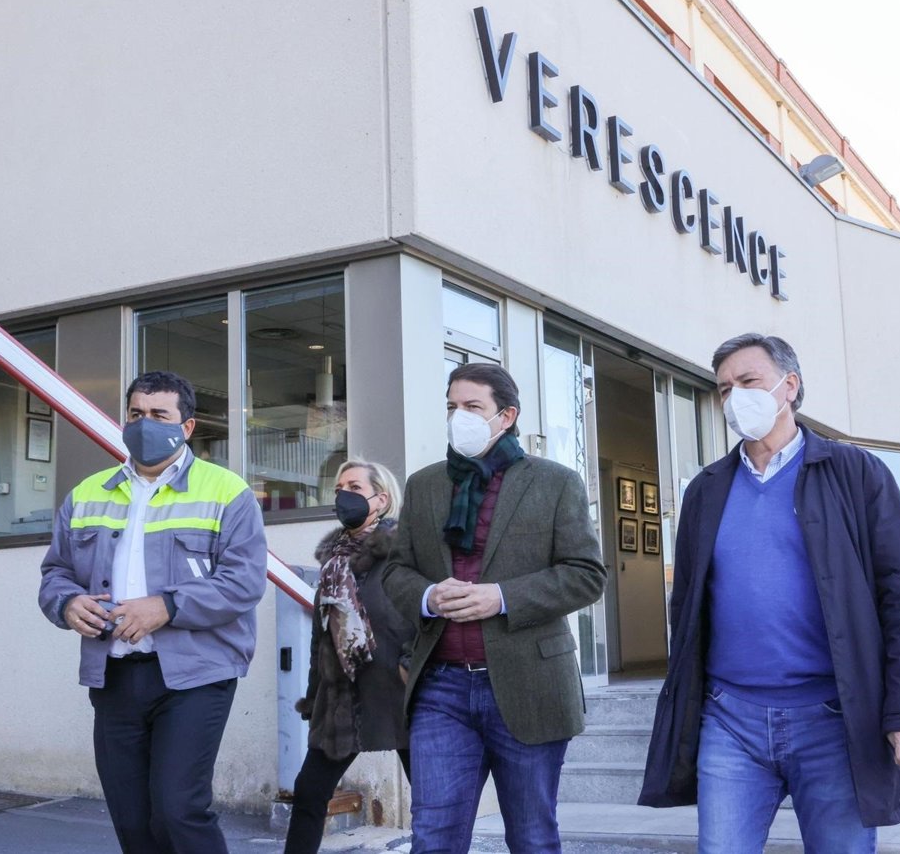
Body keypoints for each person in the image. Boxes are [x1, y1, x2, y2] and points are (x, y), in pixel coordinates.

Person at [639, 333, 900, 853]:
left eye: (748, 381)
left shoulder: (855, 473)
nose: (735, 397)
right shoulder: (707, 489)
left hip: (833, 721)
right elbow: (687, 604)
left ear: (789, 385)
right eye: (724, 389)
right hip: (729, 720)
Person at [381, 363, 608, 853]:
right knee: (433, 838)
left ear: (506, 416)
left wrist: (500, 597)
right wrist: (428, 596)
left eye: (471, 406)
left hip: (529, 684)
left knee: (531, 837)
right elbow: (396, 571)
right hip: (441, 687)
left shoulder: (555, 482)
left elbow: (587, 575)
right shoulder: (424, 484)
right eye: (451, 407)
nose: (457, 417)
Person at [38, 371, 267, 854]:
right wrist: (67, 602)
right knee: (132, 818)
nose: (145, 424)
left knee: (178, 808)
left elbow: (244, 582)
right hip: (114, 675)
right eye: (136, 413)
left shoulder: (227, 491)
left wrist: (167, 606)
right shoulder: (87, 493)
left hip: (195, 675)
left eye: (160, 415)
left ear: (187, 426)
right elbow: (56, 572)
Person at [284, 458, 412, 854]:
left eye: (355, 488)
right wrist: (314, 697)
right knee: (309, 791)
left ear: (381, 499)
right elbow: (321, 637)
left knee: (433, 800)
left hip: (400, 691)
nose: (344, 496)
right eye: (340, 488)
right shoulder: (333, 563)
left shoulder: (404, 551)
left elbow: (423, 614)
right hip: (342, 696)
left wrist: (410, 666)